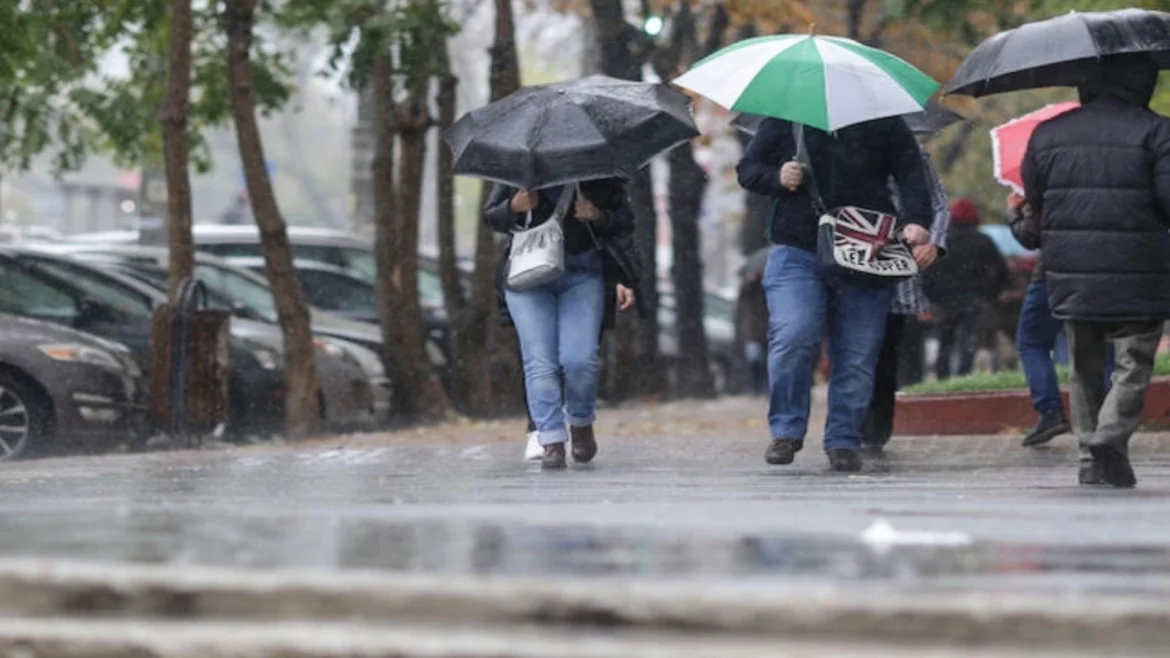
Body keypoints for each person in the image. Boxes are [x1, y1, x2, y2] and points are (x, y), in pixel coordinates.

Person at [737, 116, 933, 472]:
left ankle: (843, 439)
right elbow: (748, 169)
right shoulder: (787, 117)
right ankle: (786, 430)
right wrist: (777, 177)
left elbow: (911, 173)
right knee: (793, 333)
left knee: (858, 353)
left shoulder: (884, 120)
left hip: (867, 251)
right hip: (798, 249)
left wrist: (919, 220)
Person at [1019, 53, 1170, 488]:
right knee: (1134, 359)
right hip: (1139, 266)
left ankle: (1090, 457)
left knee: (1083, 363)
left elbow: (1035, 202)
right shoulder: (1157, 131)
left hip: (1070, 267)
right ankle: (1111, 433)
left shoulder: (1048, 134)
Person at [485, 178, 641, 470]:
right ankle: (551, 439)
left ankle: (581, 422)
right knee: (539, 362)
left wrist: (597, 215)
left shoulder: (596, 171)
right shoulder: (519, 170)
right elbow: (492, 216)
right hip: (527, 276)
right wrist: (514, 207)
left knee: (580, 360)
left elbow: (623, 223)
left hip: (582, 275)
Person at [862, 143, 950, 453]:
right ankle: (849, 425)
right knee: (856, 352)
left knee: (886, 353)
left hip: (898, 265)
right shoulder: (836, 147)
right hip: (853, 259)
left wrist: (933, 242)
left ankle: (875, 428)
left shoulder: (913, 152)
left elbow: (939, 205)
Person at [922, 199, 1008, 380]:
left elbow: (926, 272)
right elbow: (1001, 270)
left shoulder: (941, 241)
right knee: (968, 342)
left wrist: (931, 296)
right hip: (974, 299)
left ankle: (942, 378)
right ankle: (963, 376)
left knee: (944, 341)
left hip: (944, 300)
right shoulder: (983, 241)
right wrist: (990, 293)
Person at [736, 269, 769, 396]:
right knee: (754, 360)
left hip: (765, 330)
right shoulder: (746, 291)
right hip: (752, 332)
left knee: (765, 360)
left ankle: (763, 387)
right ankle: (755, 387)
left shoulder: (765, 290)